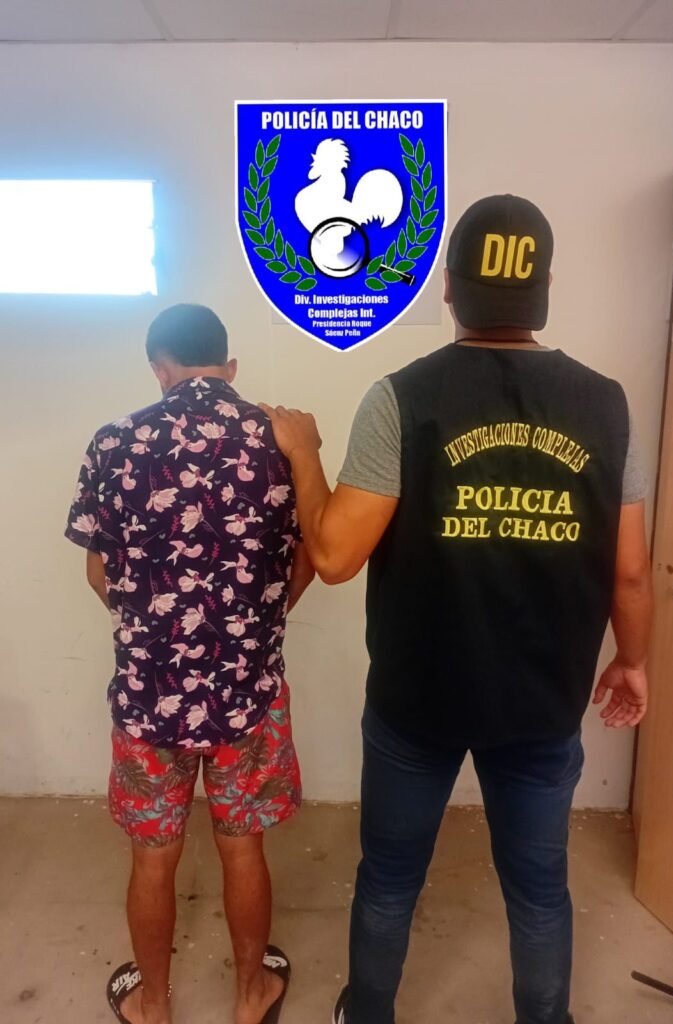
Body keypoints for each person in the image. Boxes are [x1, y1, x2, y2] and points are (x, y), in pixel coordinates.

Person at [261, 195, 653, 1024]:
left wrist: (304, 453)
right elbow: (627, 572)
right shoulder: (606, 405)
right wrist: (632, 660)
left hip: (417, 701)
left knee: (388, 879)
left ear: (446, 287)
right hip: (541, 703)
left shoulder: (402, 397)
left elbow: (332, 557)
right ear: (545, 286)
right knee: (539, 890)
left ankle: (368, 1015)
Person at [65, 303, 314, 1024]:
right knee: (242, 848)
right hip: (249, 693)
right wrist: (256, 627)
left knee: (152, 856)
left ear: (159, 368)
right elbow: (309, 558)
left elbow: (97, 572)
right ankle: (250, 996)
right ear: (230, 367)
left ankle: (154, 1004)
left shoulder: (114, 441)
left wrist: (152, 633)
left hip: (148, 699)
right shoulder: (280, 443)